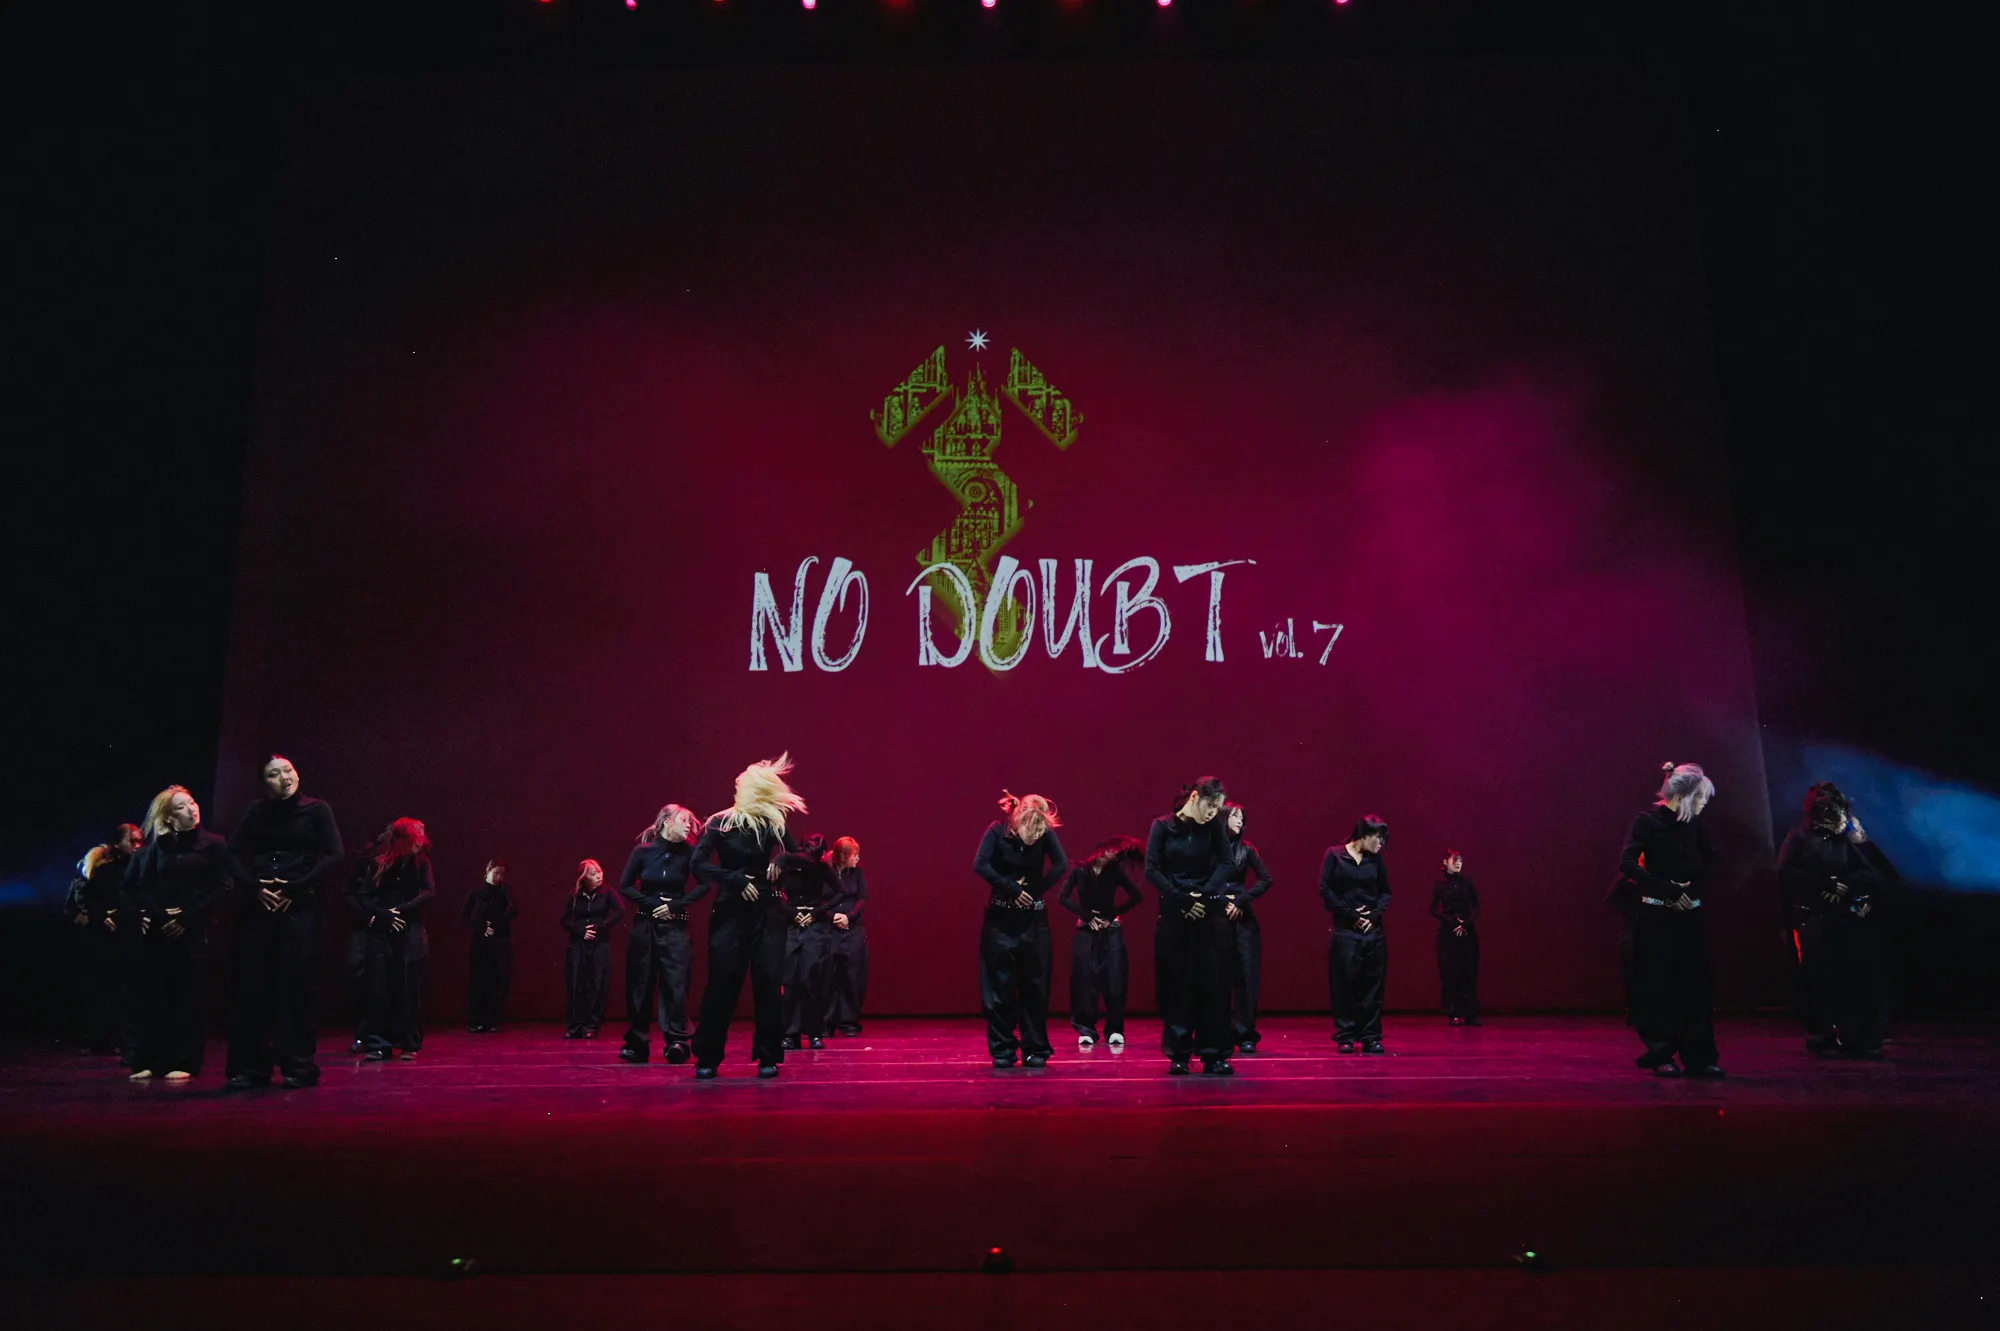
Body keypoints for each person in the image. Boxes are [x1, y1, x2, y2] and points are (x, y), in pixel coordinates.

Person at [225, 755, 344, 1091]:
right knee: (253, 986)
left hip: (300, 905)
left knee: (296, 986)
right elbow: (231, 854)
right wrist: (254, 888)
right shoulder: (255, 811)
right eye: (274, 774)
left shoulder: (317, 809)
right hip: (260, 905)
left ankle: (297, 1065)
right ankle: (251, 1067)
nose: (285, 777)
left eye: (288, 770)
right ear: (265, 783)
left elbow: (335, 855)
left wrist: (297, 886)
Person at [689, 754, 809, 1079]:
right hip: (731, 910)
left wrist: (781, 860)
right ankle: (708, 1056)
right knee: (722, 982)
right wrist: (734, 879)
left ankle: (768, 1054)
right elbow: (698, 863)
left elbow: (798, 856)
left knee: (768, 982)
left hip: (767, 911)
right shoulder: (721, 823)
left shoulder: (772, 824)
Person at [124, 787, 247, 1082]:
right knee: (157, 995)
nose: (192, 808)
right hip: (160, 928)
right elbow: (140, 886)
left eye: (192, 802)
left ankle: (185, 1060)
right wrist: (159, 915)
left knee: (189, 996)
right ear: (169, 816)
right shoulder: (158, 847)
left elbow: (224, 884)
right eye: (181, 806)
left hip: (194, 929)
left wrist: (188, 916)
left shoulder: (213, 843)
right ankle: (152, 1059)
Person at [1778, 782, 1899, 1059]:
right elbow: (1786, 873)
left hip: (1844, 920)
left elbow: (1875, 874)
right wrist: (1825, 884)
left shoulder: (1847, 840)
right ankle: (1820, 1035)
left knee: (1848, 978)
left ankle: (1855, 1035)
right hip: (1812, 917)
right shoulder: (1799, 839)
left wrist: (1847, 886)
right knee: (1817, 977)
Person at [1620, 762, 1723, 1078]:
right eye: (1700, 797)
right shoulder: (1647, 822)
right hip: (1656, 915)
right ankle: (1661, 1051)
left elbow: (1710, 858)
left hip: (1688, 913)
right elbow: (1628, 863)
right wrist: (1667, 889)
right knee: (1657, 985)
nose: (1704, 803)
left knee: (1695, 987)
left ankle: (1699, 1056)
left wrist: (1691, 890)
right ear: (1685, 795)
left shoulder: (1693, 824)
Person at [974, 791, 1070, 1069]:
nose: (1036, 834)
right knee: (999, 989)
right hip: (1001, 921)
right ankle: (1003, 1048)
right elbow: (980, 864)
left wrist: (1035, 890)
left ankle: (1035, 1047)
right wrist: (1011, 889)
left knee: (1035, 987)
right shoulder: (997, 831)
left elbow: (1061, 864)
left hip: (1033, 922)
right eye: (1032, 827)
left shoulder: (1043, 832)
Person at [1147, 778, 1236, 1076]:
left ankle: (1214, 1053)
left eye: (1217, 809)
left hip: (1208, 912)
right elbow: (1152, 869)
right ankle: (1180, 1054)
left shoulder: (1213, 827)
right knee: (1178, 985)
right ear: (1195, 797)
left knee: (1214, 984)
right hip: (1175, 913)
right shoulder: (1162, 826)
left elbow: (1226, 863)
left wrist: (1206, 894)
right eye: (1210, 806)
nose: (1212, 813)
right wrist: (1182, 900)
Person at [618, 805, 707, 1065]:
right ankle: (637, 1044)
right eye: (683, 820)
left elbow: (704, 885)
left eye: (690, 822)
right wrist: (653, 904)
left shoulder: (690, 853)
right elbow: (625, 886)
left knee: (675, 984)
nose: (689, 826)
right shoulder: (643, 852)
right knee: (640, 984)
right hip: (646, 925)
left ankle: (677, 1041)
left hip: (675, 927)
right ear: (667, 822)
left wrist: (675, 906)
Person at [348, 817, 435, 1061]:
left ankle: (408, 1041)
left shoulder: (421, 863)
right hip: (382, 931)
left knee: (408, 987)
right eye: (416, 838)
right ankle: (379, 1043)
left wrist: (401, 911)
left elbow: (429, 891)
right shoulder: (379, 863)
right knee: (379, 988)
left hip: (410, 929)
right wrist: (385, 916)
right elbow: (364, 896)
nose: (420, 843)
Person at [1059, 835, 1144, 1051]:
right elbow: (1063, 897)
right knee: (1085, 979)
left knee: (1114, 978)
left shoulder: (1114, 873)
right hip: (1086, 929)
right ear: (1101, 851)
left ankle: (1115, 1029)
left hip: (1110, 929)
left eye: (1117, 854)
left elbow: (1136, 896)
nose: (1114, 856)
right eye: (1112, 852)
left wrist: (1113, 914)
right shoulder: (1079, 872)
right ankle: (1086, 1029)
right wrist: (1087, 916)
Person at [66, 823, 142, 1057]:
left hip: (125, 934)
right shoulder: (100, 866)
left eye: (140, 841)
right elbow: (83, 896)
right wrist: (98, 917)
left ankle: (120, 1038)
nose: (137, 846)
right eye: (133, 841)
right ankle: (99, 1037)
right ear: (118, 843)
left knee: (122, 988)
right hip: (99, 937)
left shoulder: (138, 866)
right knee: (100, 986)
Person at [1321, 816, 1392, 1054]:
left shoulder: (1376, 860)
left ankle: (1370, 1036)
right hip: (1345, 930)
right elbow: (1325, 889)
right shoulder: (1335, 855)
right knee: (1344, 984)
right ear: (1364, 835)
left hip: (1372, 931)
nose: (1381, 843)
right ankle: (1346, 1035)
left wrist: (1373, 915)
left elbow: (1385, 892)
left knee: (1372, 984)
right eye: (1378, 838)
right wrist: (1351, 914)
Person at [1217, 803, 1275, 1053]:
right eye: (1235, 816)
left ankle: (1244, 1033)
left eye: (1242, 817)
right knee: (1217, 977)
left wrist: (1241, 900)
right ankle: (1218, 1032)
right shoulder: (1210, 848)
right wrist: (1223, 901)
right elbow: (1202, 880)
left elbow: (1266, 879)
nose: (1240, 821)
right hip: (1217, 917)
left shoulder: (1246, 849)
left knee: (1246, 976)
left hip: (1243, 919)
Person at [780, 833, 838, 1051]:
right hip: (792, 926)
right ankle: (790, 1033)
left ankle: (814, 1032)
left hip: (814, 928)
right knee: (790, 980)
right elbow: (773, 894)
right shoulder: (789, 867)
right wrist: (791, 912)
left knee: (811, 978)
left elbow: (841, 892)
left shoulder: (822, 869)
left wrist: (817, 912)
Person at [560, 859, 622, 1038]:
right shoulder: (574, 895)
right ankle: (574, 1025)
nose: (599, 876)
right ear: (584, 878)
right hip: (578, 943)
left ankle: (591, 1025)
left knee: (597, 982)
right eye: (593, 874)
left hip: (599, 942)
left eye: (599, 872)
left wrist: (601, 927)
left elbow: (620, 911)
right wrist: (580, 931)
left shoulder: (607, 892)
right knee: (576, 982)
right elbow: (565, 919)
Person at [462, 860, 518, 1033]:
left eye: (501, 874)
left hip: (499, 941)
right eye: (496, 873)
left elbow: (513, 911)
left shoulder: (504, 892)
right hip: (480, 942)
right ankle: (476, 1020)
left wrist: (494, 925)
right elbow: (466, 915)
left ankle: (493, 1020)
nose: (498, 877)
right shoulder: (476, 892)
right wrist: (481, 928)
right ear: (488, 871)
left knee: (497, 980)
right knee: (478, 980)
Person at [823, 837, 869, 1036]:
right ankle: (826, 1021)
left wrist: (848, 917)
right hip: (830, 928)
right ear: (843, 856)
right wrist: (832, 916)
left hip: (852, 929)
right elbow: (819, 898)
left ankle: (848, 1020)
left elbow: (862, 899)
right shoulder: (826, 873)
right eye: (854, 855)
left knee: (851, 975)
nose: (857, 859)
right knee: (829, 975)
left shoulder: (857, 873)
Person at [1430, 850, 1481, 1026]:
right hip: (1448, 933)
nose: (1458, 863)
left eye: (1460, 860)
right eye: (1454, 860)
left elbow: (1476, 906)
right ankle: (1454, 1012)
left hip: (1467, 932)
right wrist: (1451, 921)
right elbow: (1432, 909)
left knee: (1469, 971)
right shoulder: (1440, 885)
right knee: (1451, 973)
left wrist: (1466, 922)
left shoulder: (1467, 883)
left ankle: (1471, 1013)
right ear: (1445, 862)